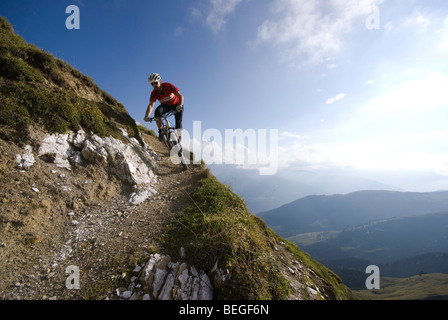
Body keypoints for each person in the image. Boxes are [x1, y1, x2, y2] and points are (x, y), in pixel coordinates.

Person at [144, 73, 184, 141]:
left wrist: (180, 105)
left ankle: (179, 142)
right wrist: (147, 116)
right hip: (166, 106)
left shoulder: (168, 86)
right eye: (152, 84)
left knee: (178, 123)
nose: (154, 85)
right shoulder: (154, 93)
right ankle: (161, 131)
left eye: (155, 83)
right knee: (157, 113)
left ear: (160, 81)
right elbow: (151, 105)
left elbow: (180, 96)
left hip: (176, 104)